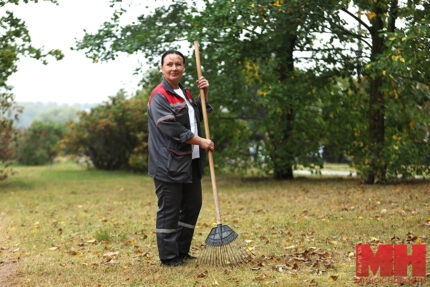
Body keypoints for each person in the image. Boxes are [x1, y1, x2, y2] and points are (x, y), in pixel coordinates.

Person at [147, 50, 214, 266]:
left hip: (190, 160)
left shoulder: (184, 92)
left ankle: (181, 251)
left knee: (193, 205)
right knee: (170, 209)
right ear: (162, 68)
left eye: (178, 64)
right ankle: (169, 258)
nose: (174, 68)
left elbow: (198, 116)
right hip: (168, 163)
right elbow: (171, 128)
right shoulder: (159, 95)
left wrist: (203, 95)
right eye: (169, 64)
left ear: (184, 67)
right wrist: (201, 141)